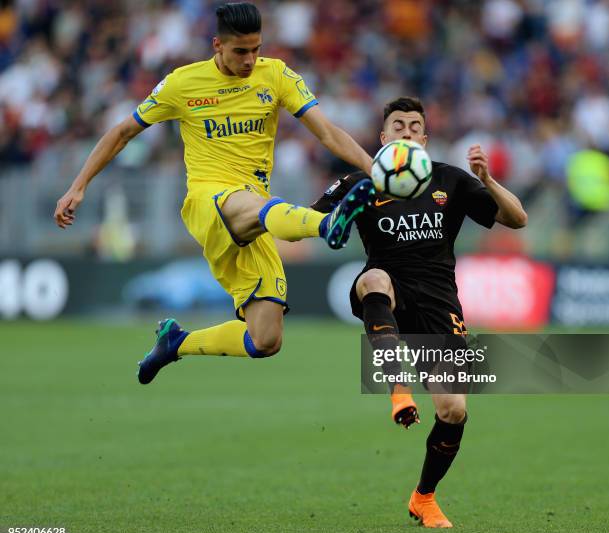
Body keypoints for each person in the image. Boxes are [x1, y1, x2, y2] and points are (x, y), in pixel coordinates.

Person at [53, 2, 374, 384]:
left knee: (266, 339)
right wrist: (78, 185)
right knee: (253, 205)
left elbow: (328, 132)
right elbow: (123, 132)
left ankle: (176, 342)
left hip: (254, 212)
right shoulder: (182, 83)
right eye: (241, 51)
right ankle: (327, 225)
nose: (251, 59)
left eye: (256, 49)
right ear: (216, 45)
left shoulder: (277, 76)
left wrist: (376, 170)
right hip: (210, 203)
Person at [311, 96, 527, 528]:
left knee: (453, 410)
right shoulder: (360, 181)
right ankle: (397, 387)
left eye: (414, 126)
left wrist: (487, 179)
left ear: (424, 139)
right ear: (383, 137)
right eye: (398, 125)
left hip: (439, 304)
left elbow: (517, 219)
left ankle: (424, 498)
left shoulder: (452, 179)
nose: (406, 132)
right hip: (387, 292)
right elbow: (304, 222)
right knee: (373, 279)